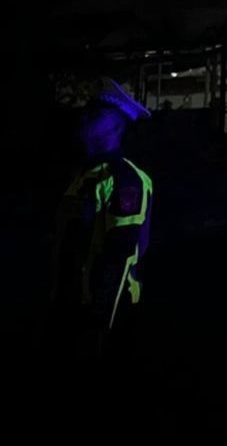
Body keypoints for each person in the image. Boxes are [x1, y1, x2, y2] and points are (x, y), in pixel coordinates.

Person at [50, 78, 154, 363]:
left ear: (116, 126)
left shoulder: (124, 178)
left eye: (95, 114)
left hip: (106, 310)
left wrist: (100, 321)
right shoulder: (86, 174)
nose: (84, 118)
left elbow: (119, 255)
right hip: (74, 302)